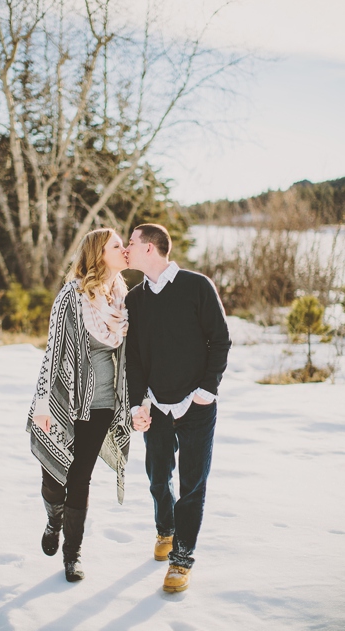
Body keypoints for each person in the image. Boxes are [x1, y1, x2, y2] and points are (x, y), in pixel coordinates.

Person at [125, 223, 231, 593]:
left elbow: (220, 339)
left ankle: (182, 559)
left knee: (192, 484)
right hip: (155, 406)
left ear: (151, 249)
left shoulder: (196, 286)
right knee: (157, 476)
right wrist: (138, 403)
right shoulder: (134, 300)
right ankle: (165, 530)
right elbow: (133, 358)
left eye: (132, 243)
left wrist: (206, 390)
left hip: (197, 405)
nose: (126, 249)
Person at [27, 228, 133, 582]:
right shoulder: (71, 297)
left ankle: (72, 555)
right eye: (118, 246)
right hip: (62, 400)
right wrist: (43, 402)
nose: (125, 250)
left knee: (81, 477)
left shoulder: (122, 297)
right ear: (100, 254)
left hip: (102, 402)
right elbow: (53, 350)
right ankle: (52, 518)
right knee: (53, 474)